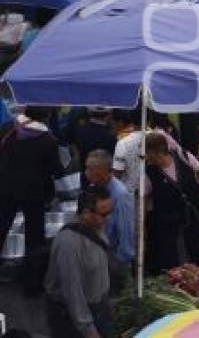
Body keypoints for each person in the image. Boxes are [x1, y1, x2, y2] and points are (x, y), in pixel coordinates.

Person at [0, 107, 62, 296]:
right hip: (34, 193)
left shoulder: (9, 128)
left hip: (5, 188)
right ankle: (32, 285)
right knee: (35, 238)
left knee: (1, 227)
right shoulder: (48, 140)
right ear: (46, 115)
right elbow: (57, 170)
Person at [44, 186, 114, 338]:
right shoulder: (68, 244)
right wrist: (91, 333)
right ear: (86, 213)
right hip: (73, 323)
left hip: (98, 311)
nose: (108, 218)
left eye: (110, 212)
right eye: (104, 214)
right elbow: (73, 294)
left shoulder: (98, 227)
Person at [143, 132, 199, 273]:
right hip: (168, 219)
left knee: (197, 248)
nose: (146, 157)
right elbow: (144, 198)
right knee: (170, 256)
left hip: (191, 213)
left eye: (148, 153)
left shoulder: (183, 156)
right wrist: (143, 225)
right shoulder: (149, 173)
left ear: (158, 152)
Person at [83, 150, 135, 267]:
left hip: (113, 258)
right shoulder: (93, 187)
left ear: (103, 171)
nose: (86, 172)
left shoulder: (120, 195)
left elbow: (126, 232)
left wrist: (120, 263)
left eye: (90, 169)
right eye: (86, 168)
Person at [68, 108, 116, 189]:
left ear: (89, 112)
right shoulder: (110, 137)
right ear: (108, 115)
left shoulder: (79, 131)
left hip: (85, 177)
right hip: (103, 180)